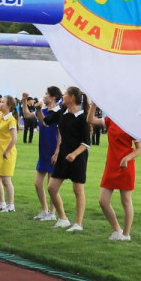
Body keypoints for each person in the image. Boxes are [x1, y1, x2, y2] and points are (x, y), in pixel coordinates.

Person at [87, 102, 141, 241]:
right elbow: (90, 120)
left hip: (126, 166)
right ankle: (117, 230)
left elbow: (140, 148)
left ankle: (126, 234)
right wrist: (94, 105)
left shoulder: (132, 125)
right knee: (103, 201)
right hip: (111, 165)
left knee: (126, 201)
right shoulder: (110, 120)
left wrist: (126, 159)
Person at [45, 86, 90, 231]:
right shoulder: (63, 113)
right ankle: (63, 218)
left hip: (78, 157)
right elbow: (46, 122)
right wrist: (58, 152)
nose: (62, 96)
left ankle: (78, 224)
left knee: (78, 189)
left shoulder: (82, 117)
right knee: (52, 188)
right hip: (64, 155)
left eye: (65, 94)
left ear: (72, 97)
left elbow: (86, 143)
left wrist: (74, 154)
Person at [32, 87, 65, 223]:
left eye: (46, 94)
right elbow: (28, 115)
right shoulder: (44, 111)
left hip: (53, 152)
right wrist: (24, 101)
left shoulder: (58, 113)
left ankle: (52, 212)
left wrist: (57, 152)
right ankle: (45, 210)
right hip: (43, 151)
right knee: (37, 183)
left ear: (52, 97)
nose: (44, 96)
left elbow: (61, 135)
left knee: (51, 185)